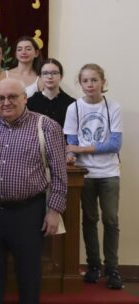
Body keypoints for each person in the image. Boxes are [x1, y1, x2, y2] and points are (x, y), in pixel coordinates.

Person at [0, 78, 67, 304]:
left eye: (12, 97)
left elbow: (60, 174)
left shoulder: (47, 126)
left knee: (28, 275)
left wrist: (54, 211)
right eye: (1, 98)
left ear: (24, 98)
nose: (6, 102)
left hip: (28, 213)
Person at [63, 63, 124, 289]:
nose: (90, 84)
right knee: (89, 219)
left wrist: (81, 149)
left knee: (110, 219)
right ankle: (94, 266)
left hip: (109, 172)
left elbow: (115, 144)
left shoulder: (112, 107)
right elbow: (71, 141)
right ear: (80, 83)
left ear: (103, 82)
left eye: (94, 80)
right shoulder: (74, 108)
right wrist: (72, 152)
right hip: (84, 174)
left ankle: (112, 268)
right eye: (86, 80)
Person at [26, 58, 74, 127]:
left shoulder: (71, 104)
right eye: (45, 73)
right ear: (40, 76)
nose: (50, 77)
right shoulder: (30, 103)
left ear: (61, 76)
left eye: (54, 73)